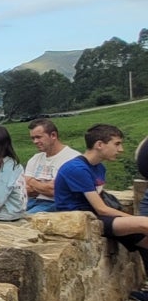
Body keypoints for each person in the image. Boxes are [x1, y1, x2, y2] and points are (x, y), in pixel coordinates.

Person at [55, 124, 148, 292]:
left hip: (97, 217)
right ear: (99, 145)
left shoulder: (99, 167)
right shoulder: (76, 169)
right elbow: (102, 209)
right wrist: (134, 219)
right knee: (144, 224)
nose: (121, 149)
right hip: (82, 220)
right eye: (117, 143)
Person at [23, 119, 80, 214]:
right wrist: (43, 186)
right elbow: (24, 188)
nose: (35, 141)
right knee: (5, 215)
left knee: (22, 221)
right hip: (32, 200)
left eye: (38, 137)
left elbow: (54, 190)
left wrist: (31, 181)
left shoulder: (72, 158)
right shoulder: (35, 158)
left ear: (53, 135)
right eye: (33, 138)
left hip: (56, 203)